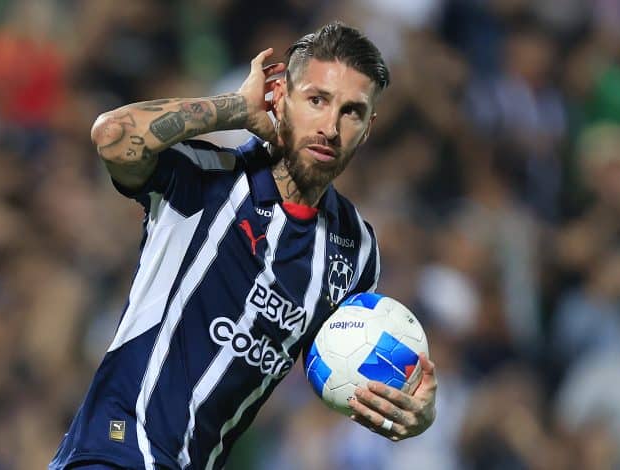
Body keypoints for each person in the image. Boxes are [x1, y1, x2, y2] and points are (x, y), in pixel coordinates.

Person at [50, 22, 438, 470]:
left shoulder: (356, 250)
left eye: (351, 112)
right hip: (115, 450)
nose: (331, 127)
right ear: (280, 98)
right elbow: (111, 136)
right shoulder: (207, 175)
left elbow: (344, 369)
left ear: (367, 128)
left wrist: (413, 410)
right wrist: (235, 108)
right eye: (317, 100)